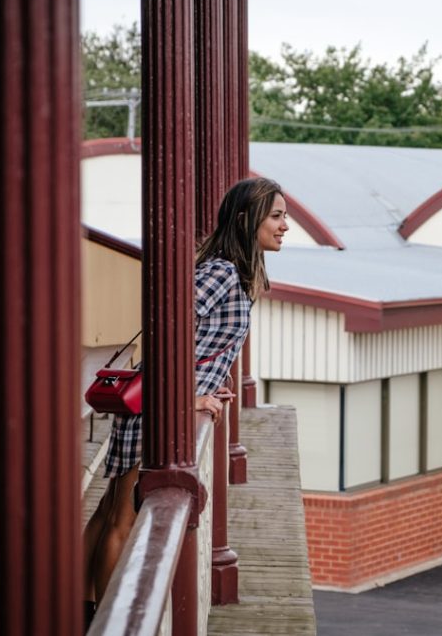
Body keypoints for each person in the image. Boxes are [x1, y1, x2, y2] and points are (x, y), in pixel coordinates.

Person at [82, 177, 289, 623]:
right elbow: (167, 326)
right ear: (245, 219)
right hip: (155, 407)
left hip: (158, 402)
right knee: (122, 516)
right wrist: (188, 395)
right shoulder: (222, 272)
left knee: (110, 508)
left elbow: (198, 340)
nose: (285, 225)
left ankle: (76, 606)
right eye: (276, 215)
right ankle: (103, 620)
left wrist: (205, 387)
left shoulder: (231, 270)